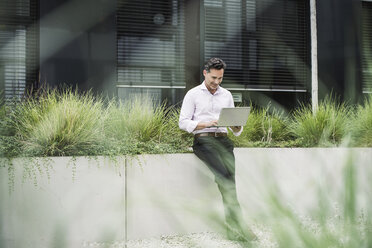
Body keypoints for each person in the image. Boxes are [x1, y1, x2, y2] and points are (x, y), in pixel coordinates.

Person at [179, 58, 256, 243]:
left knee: (229, 181)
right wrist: (207, 123)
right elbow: (183, 123)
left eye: (220, 78)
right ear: (205, 73)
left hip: (224, 141)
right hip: (204, 141)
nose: (216, 82)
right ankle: (239, 226)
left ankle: (233, 228)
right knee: (225, 177)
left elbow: (234, 129)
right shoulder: (193, 94)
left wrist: (237, 127)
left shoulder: (226, 95)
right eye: (214, 77)